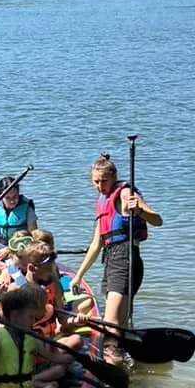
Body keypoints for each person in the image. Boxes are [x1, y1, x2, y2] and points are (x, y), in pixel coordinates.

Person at [70, 152, 162, 356]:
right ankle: (121, 366)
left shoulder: (124, 192)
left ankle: (111, 363)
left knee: (111, 326)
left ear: (113, 177)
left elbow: (157, 220)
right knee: (118, 326)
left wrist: (140, 211)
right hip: (111, 259)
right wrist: (78, 275)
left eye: (104, 181)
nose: (100, 186)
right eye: (95, 181)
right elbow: (96, 245)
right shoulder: (102, 202)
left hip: (126, 257)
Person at [0, 175, 37, 268]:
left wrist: (9, 249)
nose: (12, 201)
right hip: (0, 253)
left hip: (21, 252)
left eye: (15, 196)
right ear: (1, 197)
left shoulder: (27, 209)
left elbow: (34, 238)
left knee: (14, 265)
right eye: (8, 197)